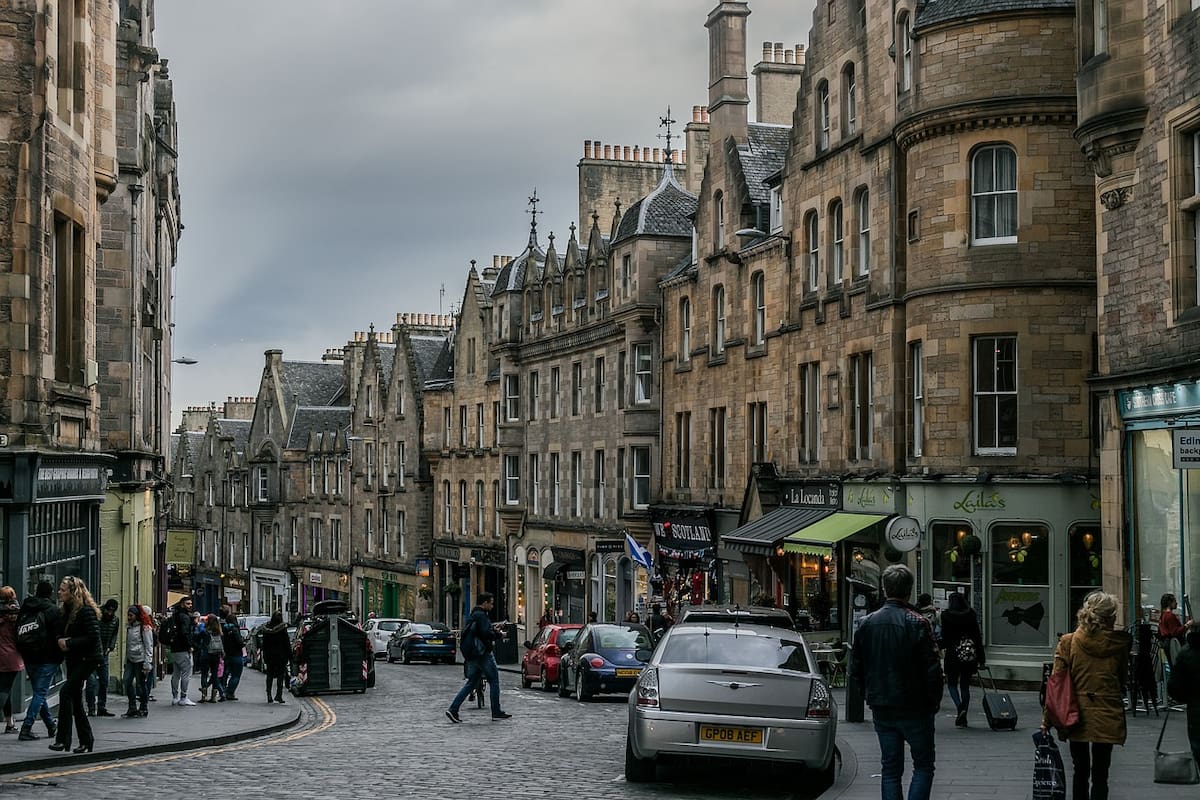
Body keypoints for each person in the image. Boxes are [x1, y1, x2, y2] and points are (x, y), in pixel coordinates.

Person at [850, 564, 943, 800]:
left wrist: (868, 695)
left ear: (884, 589)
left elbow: (856, 668)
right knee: (923, 765)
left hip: (882, 705)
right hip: (916, 706)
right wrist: (933, 702)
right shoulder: (919, 623)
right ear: (909, 590)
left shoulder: (866, 624)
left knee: (890, 769)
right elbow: (933, 669)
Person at [1041, 590, 1130, 800]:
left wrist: (1047, 720)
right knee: (1101, 774)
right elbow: (1122, 678)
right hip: (1107, 711)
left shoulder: (1069, 641)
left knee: (1080, 770)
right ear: (1109, 618)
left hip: (1076, 712)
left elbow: (1056, 684)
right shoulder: (1118, 644)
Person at [50, 576, 102, 753]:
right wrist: (59, 640)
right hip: (74, 659)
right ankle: (86, 741)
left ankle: (62, 739)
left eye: (63, 590)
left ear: (74, 592)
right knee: (76, 699)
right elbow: (59, 632)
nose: (59, 592)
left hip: (88, 659)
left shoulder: (86, 611)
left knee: (65, 693)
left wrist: (69, 643)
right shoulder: (65, 610)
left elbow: (93, 637)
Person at [446, 592, 510, 722]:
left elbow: (480, 631)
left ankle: (453, 709)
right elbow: (486, 634)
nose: (492, 606)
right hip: (483, 653)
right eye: (491, 603)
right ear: (484, 603)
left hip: (472, 655)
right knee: (494, 681)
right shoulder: (481, 616)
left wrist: (492, 628)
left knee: (471, 683)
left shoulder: (474, 615)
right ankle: (496, 712)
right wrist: (499, 634)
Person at [16, 580, 62, 742]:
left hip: (28, 655)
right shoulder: (53, 610)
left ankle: (50, 725)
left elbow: (18, 629)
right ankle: (26, 727)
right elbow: (58, 634)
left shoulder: (26, 606)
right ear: (50, 593)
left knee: (38, 692)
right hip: (47, 657)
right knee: (41, 693)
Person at [939, 592, 983, 728]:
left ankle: (959, 708)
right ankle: (964, 711)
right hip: (968, 654)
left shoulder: (946, 616)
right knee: (965, 685)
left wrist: (937, 645)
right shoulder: (971, 614)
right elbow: (977, 636)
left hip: (953, 653)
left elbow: (945, 637)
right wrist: (982, 658)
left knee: (952, 684)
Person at [1165, 622, 1200, 768]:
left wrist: (1184, 697)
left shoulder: (1185, 653)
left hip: (1196, 706)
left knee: (1198, 744)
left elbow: (1175, 685)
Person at [84, 598, 119, 717]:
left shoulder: (115, 620)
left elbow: (114, 634)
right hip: (91, 653)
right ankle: (91, 707)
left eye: (112, 611)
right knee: (91, 682)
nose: (109, 613)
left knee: (104, 681)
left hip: (104, 654)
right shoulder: (96, 616)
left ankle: (101, 706)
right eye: (108, 610)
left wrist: (111, 646)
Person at [121, 605, 154, 718]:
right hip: (131, 659)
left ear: (137, 616)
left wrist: (147, 663)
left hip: (140, 659)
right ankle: (132, 707)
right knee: (127, 681)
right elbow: (128, 645)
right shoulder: (129, 627)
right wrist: (126, 660)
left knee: (141, 684)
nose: (129, 617)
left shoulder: (144, 628)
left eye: (131, 615)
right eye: (128, 615)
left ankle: (143, 707)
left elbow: (148, 645)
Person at [0, 587, 23, 734]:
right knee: (4, 689)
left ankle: (9, 722)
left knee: (5, 689)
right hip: (11, 656)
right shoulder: (16, 616)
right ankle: (9, 723)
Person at [166, 597, 197, 705]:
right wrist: (190, 645)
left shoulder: (175, 616)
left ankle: (175, 696)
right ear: (183, 604)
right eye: (188, 603)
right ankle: (184, 697)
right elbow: (185, 633)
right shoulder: (185, 617)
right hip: (183, 648)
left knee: (176, 673)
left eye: (191, 603)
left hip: (174, 648)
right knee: (186, 673)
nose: (190, 605)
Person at [260, 611, 291, 704]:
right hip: (281, 656)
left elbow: (264, 645)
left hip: (269, 656)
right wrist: (290, 656)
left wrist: (264, 655)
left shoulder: (266, 629)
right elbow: (287, 644)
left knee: (269, 675)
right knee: (281, 676)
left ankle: (269, 695)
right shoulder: (282, 629)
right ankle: (279, 695)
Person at [196, 614, 225, 702]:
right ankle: (213, 697)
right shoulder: (219, 632)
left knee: (204, 674)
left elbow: (196, 639)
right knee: (215, 674)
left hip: (206, 654)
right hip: (216, 655)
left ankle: (204, 696)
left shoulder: (205, 632)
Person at [219, 608, 245, 701]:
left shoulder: (223, 629)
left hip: (227, 654)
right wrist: (243, 642)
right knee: (236, 675)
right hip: (236, 654)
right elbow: (240, 643)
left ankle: (222, 690)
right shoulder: (234, 629)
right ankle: (230, 692)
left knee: (225, 674)